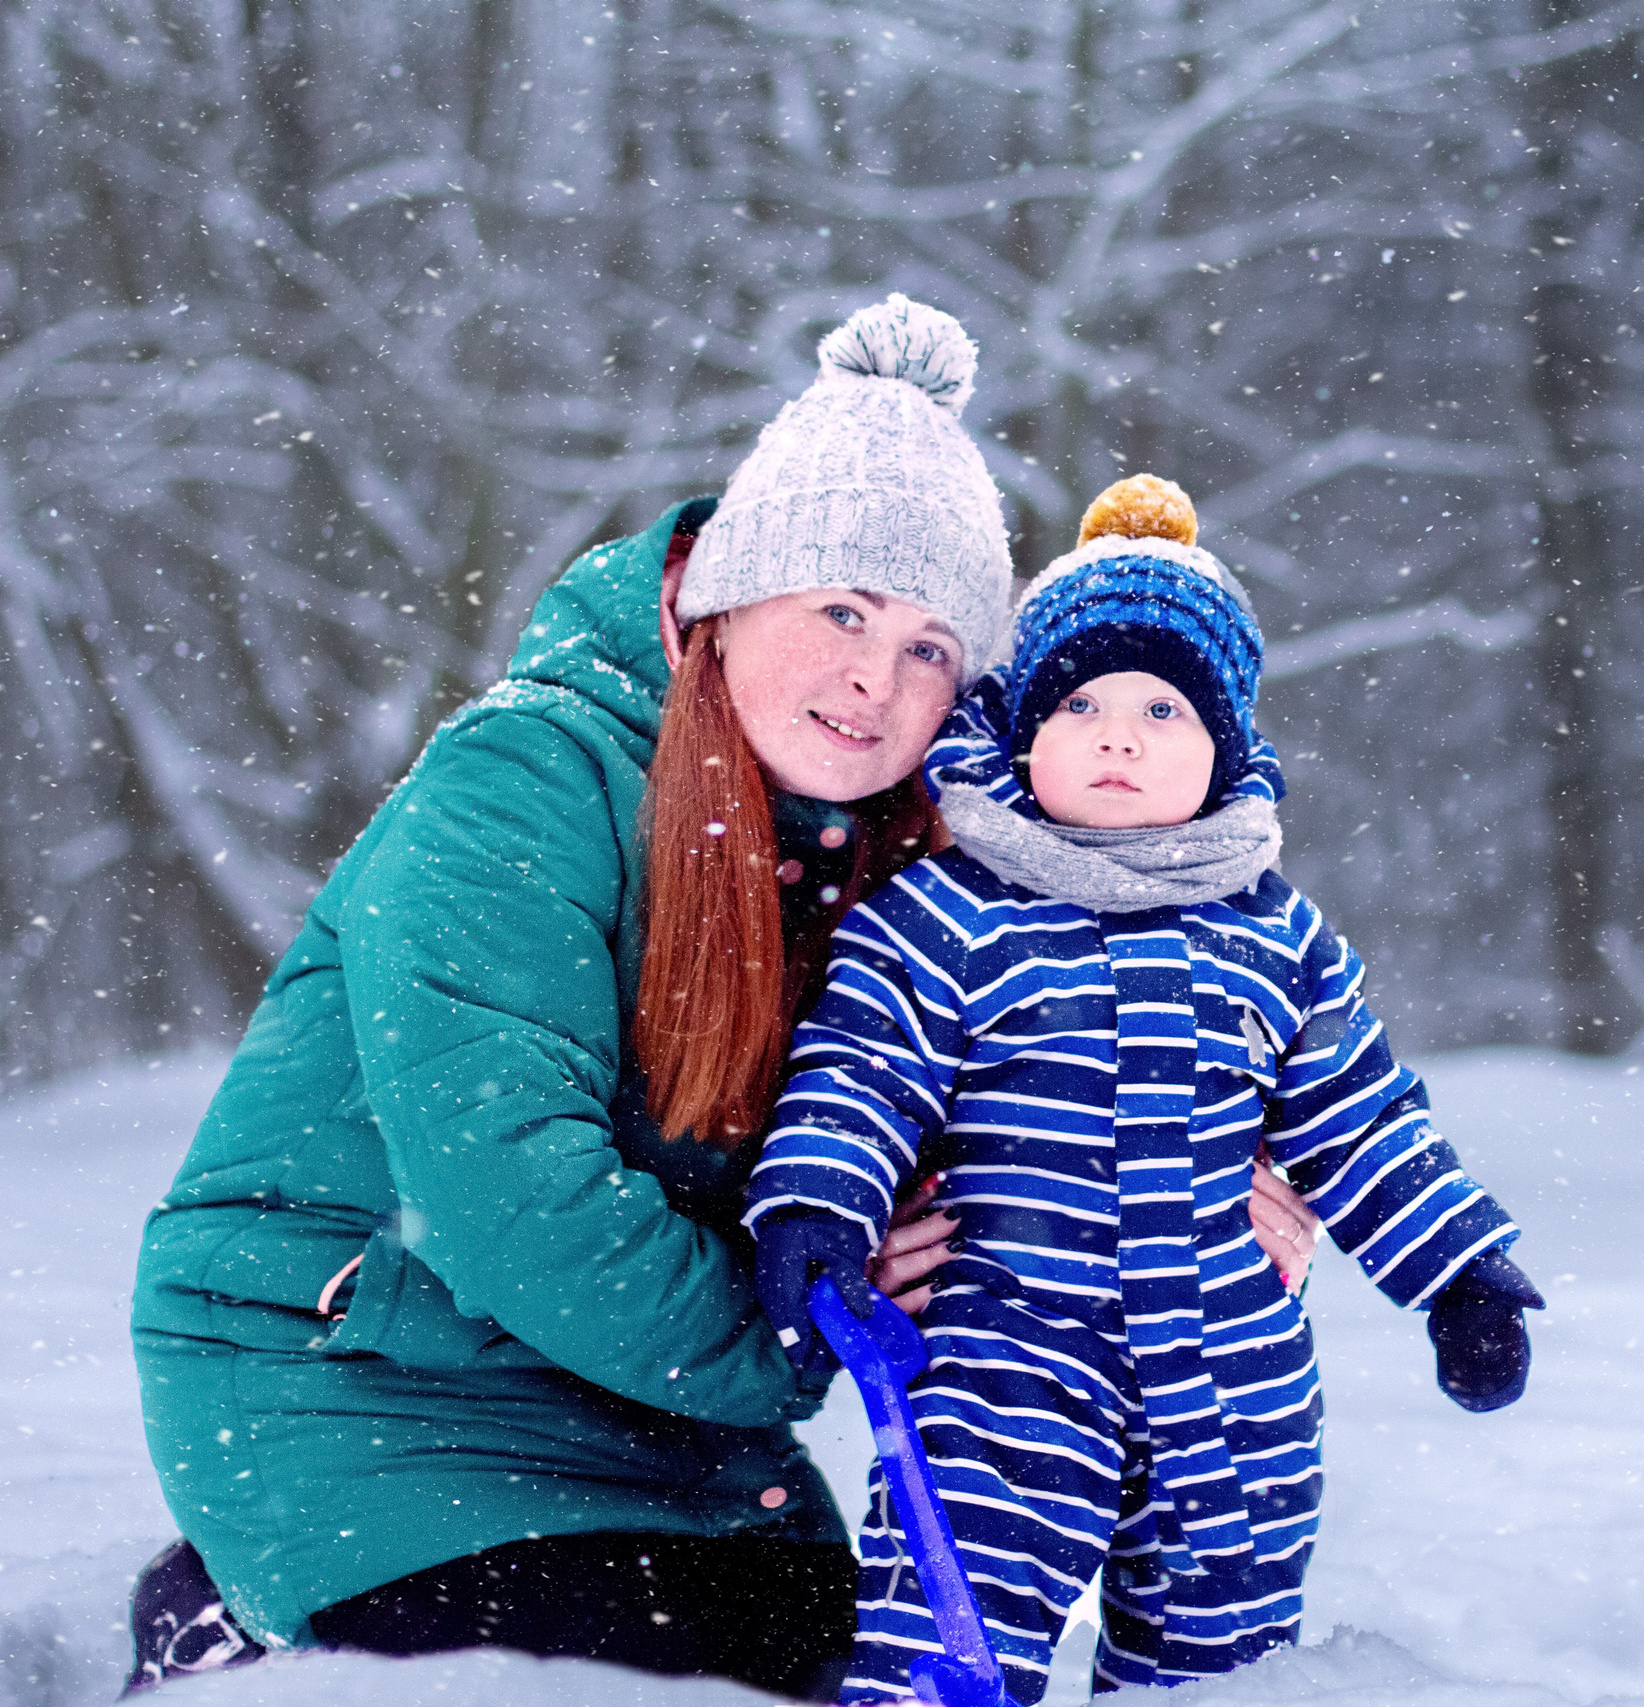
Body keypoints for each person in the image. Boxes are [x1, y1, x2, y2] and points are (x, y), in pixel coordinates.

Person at [123, 296, 1017, 1700]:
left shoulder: (877, 851)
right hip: (362, 1377)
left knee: (848, 1665)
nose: (874, 675)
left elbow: (1019, 1075)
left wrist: (1222, 1174)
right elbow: (504, 1184)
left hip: (654, 1416)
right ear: (729, 595)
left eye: (929, 645)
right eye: (842, 607)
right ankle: (251, 1607)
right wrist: (778, 1332)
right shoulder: (524, 782)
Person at [744, 474, 1548, 1703]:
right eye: (1082, 704)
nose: (1118, 734)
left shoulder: (1278, 938)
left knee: (1216, 1665)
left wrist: (1459, 1277)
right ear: (1023, 732)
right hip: (1007, 1358)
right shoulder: (949, 918)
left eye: (1163, 709)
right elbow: (860, 1071)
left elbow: (1364, 1117)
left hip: (1237, 1375)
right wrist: (817, 1213)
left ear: (1225, 751)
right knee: (950, 1634)